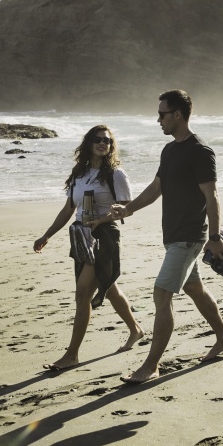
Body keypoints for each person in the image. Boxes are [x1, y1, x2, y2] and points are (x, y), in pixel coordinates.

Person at [115, 90, 223, 383]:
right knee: (194, 288)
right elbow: (157, 187)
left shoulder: (200, 151)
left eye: (162, 114)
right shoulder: (169, 151)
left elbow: (212, 195)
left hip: (190, 236)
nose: (159, 120)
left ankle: (151, 365)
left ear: (178, 115)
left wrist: (216, 236)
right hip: (174, 235)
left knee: (162, 294)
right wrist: (126, 209)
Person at [33, 124, 144, 372]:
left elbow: (127, 206)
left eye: (107, 140)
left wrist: (103, 219)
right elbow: (68, 209)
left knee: (83, 293)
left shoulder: (115, 174)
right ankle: (135, 329)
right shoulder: (79, 174)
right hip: (81, 235)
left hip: (104, 236)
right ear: (88, 143)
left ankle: (72, 355)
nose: (102, 143)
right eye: (97, 139)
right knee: (108, 285)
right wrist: (47, 235)